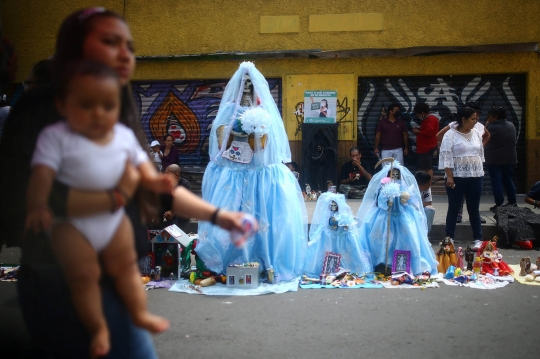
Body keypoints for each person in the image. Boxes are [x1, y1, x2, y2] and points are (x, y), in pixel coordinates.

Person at [0, 8, 250, 358]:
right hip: (65, 289)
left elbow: (159, 190)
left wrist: (219, 215)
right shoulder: (48, 113)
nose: (124, 54)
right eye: (109, 42)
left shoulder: (113, 114)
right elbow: (33, 203)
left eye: (128, 45)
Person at [26, 60, 173, 358]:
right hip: (71, 223)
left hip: (112, 219)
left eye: (107, 106)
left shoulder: (123, 136)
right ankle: (98, 328)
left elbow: (142, 164)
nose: (98, 113)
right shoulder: (55, 137)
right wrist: (38, 203)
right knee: (85, 274)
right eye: (86, 105)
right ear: (63, 105)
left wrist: (154, 179)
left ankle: (139, 312)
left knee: (126, 265)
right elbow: (42, 174)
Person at [195, 62, 307, 284]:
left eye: (250, 83)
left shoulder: (265, 113)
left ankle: (265, 264)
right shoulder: (228, 111)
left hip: (258, 173)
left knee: (263, 220)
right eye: (243, 82)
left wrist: (255, 131)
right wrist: (235, 130)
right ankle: (224, 265)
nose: (246, 87)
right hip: (234, 173)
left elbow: (263, 149)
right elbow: (221, 144)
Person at [356, 161, 438, 275]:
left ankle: (401, 265)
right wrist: (386, 201)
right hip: (385, 216)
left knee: (404, 239)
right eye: (392, 174)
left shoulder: (402, 186)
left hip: (400, 215)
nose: (394, 177)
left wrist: (404, 199)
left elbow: (410, 200)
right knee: (383, 239)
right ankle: (382, 264)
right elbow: (378, 201)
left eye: (396, 175)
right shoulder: (383, 186)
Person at [439, 107, 485, 248]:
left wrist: (478, 167)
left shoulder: (477, 132)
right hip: (457, 177)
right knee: (454, 207)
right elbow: (446, 155)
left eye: (476, 119)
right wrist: (450, 177)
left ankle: (478, 238)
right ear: (463, 119)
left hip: (475, 176)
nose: (475, 121)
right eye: (472, 119)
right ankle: (449, 238)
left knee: (473, 208)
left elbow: (480, 153)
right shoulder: (450, 135)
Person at [303, 192, 372, 278]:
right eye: (331, 205)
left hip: (342, 236)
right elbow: (330, 224)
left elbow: (347, 226)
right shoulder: (330, 217)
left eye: (334, 205)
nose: (333, 207)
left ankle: (347, 270)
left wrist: (345, 224)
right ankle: (329, 270)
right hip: (331, 236)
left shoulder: (342, 215)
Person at [484, 106, 518, 212]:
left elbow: (482, 137)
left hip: (495, 160)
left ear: (495, 117)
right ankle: (513, 202)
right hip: (510, 159)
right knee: (508, 180)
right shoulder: (511, 125)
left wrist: (486, 126)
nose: (488, 119)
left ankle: (499, 204)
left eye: (489, 117)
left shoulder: (492, 127)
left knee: (496, 181)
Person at [412, 103, 440, 184]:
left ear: (422, 112)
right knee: (423, 167)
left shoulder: (430, 119)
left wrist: (418, 131)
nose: (417, 115)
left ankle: (427, 185)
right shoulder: (428, 118)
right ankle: (424, 184)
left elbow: (429, 132)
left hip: (427, 147)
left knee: (427, 168)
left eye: (417, 113)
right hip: (424, 147)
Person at [415, 171, 435, 237]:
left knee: (430, 210)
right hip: (410, 212)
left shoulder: (427, 188)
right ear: (420, 186)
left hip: (420, 209)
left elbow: (429, 203)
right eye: (428, 184)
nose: (430, 185)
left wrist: (418, 205)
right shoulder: (410, 190)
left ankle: (425, 235)